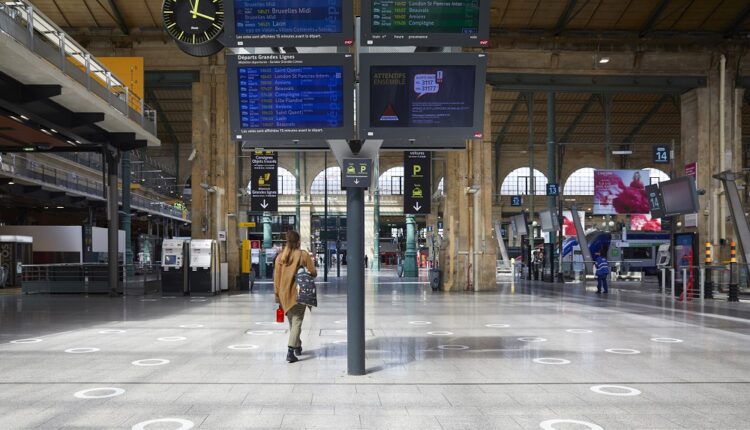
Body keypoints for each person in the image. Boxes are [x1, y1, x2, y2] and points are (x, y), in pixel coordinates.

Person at [273, 230, 317, 363]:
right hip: (299, 294)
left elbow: (276, 279)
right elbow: (313, 273)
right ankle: (290, 352)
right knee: (297, 321)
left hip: (283, 294)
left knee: (293, 322)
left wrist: (277, 296)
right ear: (298, 241)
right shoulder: (303, 255)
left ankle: (297, 346)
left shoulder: (280, 257)